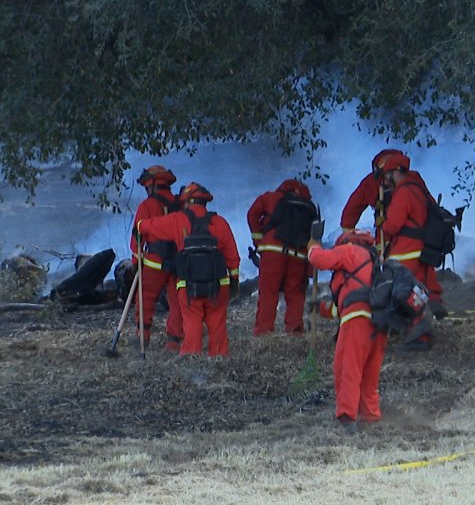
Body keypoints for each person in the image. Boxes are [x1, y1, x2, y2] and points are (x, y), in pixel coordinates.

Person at [138, 183, 240, 357]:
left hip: (189, 286)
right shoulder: (220, 222)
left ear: (186, 202)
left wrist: (140, 225)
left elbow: (150, 226)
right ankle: (219, 358)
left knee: (192, 322)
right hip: (218, 285)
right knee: (217, 323)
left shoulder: (178, 219)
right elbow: (232, 256)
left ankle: (191, 358)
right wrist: (234, 280)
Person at [306, 227, 390, 430]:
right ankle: (370, 417)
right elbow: (349, 302)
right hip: (378, 323)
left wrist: (313, 246)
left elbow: (320, 260)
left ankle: (347, 418)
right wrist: (323, 309)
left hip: (356, 322)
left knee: (347, 368)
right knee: (368, 374)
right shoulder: (374, 261)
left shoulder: (350, 251)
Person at [378, 151, 448, 332]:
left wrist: (382, 225)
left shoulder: (403, 193)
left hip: (405, 252)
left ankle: (411, 328)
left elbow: (393, 226)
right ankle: (432, 309)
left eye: (387, 176)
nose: (386, 181)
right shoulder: (418, 190)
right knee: (423, 289)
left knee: (403, 293)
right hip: (423, 250)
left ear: (394, 172)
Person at [247, 178, 316, 335]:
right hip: (299, 254)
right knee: (296, 293)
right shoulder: (309, 208)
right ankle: (295, 330)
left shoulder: (271, 197)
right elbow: (314, 237)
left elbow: (252, 214)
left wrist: (258, 240)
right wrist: (311, 269)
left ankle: (263, 331)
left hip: (273, 249)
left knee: (268, 292)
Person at [130, 165, 184, 352]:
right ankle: (174, 342)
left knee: (144, 298)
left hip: (155, 262)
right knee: (177, 302)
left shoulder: (147, 206)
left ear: (151, 185)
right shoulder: (180, 204)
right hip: (178, 262)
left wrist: (136, 263)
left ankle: (142, 338)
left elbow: (137, 236)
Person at [340, 148, 406, 243]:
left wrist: (347, 227)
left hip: (388, 236)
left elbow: (353, 206)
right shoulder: (411, 178)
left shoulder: (372, 181)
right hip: (412, 236)